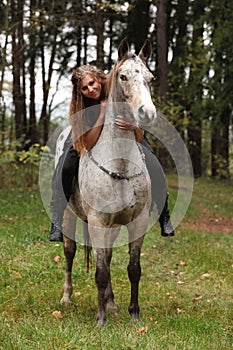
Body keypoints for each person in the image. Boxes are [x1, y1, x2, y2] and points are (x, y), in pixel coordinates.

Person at [49, 65, 174, 242]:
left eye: (92, 83)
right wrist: (101, 112)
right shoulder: (81, 106)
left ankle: (164, 214)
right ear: (80, 92)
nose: (91, 89)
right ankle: (57, 218)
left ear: (98, 78)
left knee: (154, 164)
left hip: (125, 131)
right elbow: (89, 143)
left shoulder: (115, 85)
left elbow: (136, 113)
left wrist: (134, 126)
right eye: (85, 88)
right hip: (88, 130)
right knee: (66, 165)